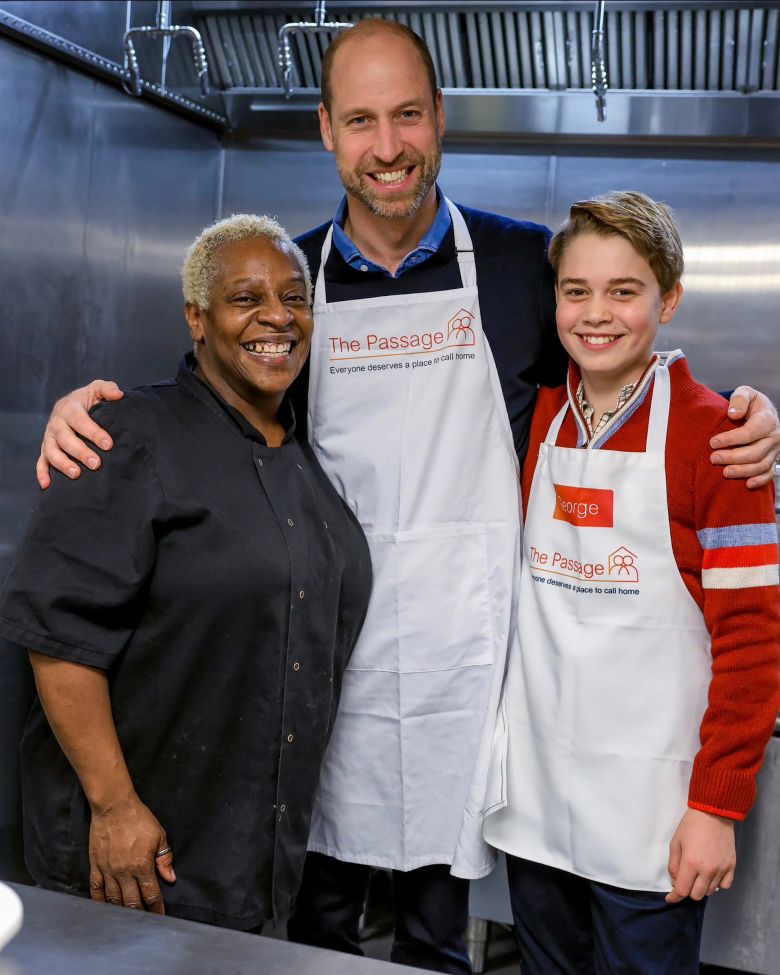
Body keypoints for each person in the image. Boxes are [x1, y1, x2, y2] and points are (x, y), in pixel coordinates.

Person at [33, 20, 780, 974]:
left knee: (438, 942)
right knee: (314, 931)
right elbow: (205, 407)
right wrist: (87, 410)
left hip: (468, 687)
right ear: (327, 131)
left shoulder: (520, 268)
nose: (387, 146)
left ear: (439, 120)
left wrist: (745, 412)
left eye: (408, 116)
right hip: (322, 679)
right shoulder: (295, 289)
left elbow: (620, 367)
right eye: (361, 120)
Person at [0, 215, 371, 931]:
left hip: (253, 861)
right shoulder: (126, 436)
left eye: (295, 297)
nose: (277, 316)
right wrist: (114, 807)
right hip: (141, 853)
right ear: (196, 319)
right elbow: (58, 637)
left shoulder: (305, 457)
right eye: (246, 297)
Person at [482, 191, 780, 975]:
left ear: (669, 298)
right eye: (576, 290)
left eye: (625, 290)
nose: (596, 314)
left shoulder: (718, 438)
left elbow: (753, 636)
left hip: (653, 818)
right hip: (536, 805)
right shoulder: (535, 417)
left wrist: (717, 807)